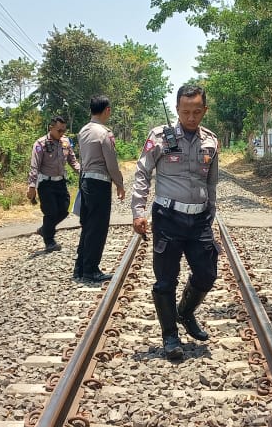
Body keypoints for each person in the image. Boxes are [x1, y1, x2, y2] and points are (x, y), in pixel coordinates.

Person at [132, 84, 219, 361]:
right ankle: (170, 335)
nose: (191, 117)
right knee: (166, 279)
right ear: (177, 109)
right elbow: (143, 172)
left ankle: (185, 312)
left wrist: (211, 211)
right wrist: (138, 211)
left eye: (196, 111)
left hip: (199, 218)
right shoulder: (161, 136)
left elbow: (212, 181)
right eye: (185, 112)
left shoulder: (211, 141)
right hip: (168, 217)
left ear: (204, 110)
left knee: (207, 274)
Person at [73, 96, 126, 284]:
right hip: (99, 184)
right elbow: (111, 163)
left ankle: (80, 268)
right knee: (98, 228)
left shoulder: (83, 131)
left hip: (85, 181)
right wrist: (119, 183)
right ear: (107, 110)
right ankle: (91, 270)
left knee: (88, 226)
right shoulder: (104, 133)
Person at [26, 116, 80, 252]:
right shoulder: (40, 144)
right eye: (59, 131)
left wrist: (82, 172)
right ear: (51, 128)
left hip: (60, 182)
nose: (61, 133)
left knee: (64, 210)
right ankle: (49, 241)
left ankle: (45, 229)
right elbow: (34, 166)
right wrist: (32, 185)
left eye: (63, 130)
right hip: (46, 184)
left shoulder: (66, 142)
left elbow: (72, 161)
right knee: (51, 212)